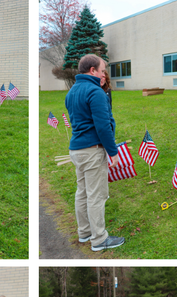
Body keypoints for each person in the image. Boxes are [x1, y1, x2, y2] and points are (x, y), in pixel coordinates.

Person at [65, 54, 125, 252]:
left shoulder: (72, 91)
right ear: (93, 70)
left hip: (76, 150)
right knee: (96, 196)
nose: (104, 73)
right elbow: (103, 127)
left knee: (82, 192)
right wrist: (112, 152)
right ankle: (99, 239)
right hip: (91, 151)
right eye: (102, 69)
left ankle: (85, 233)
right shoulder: (95, 91)